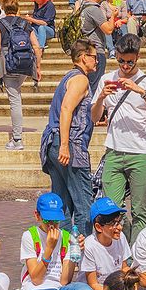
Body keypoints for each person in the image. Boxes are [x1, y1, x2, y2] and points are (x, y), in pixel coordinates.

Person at [91, 33, 146, 241]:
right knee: (112, 210)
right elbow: (94, 116)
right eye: (121, 60)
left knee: (140, 210)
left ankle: (137, 256)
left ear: (138, 57)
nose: (125, 65)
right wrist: (101, 98)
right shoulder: (107, 79)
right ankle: (122, 254)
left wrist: (140, 91)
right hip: (113, 152)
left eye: (130, 62)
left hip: (140, 153)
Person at [39, 40, 98, 235]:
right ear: (83, 57)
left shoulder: (68, 78)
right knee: (84, 203)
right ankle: (83, 254)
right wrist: (65, 145)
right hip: (71, 145)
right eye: (94, 57)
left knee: (62, 204)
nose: (96, 61)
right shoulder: (80, 80)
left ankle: (61, 252)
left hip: (52, 142)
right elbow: (66, 109)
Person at [0, 0, 41, 151]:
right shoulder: (26, 24)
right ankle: (16, 136)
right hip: (25, 64)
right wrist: (38, 67)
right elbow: (36, 47)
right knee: (16, 94)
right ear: (17, 8)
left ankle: (17, 139)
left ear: (4, 8)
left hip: (8, 63)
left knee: (15, 101)